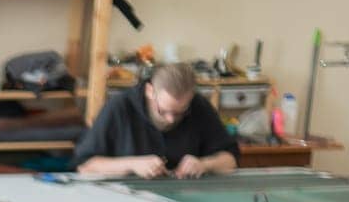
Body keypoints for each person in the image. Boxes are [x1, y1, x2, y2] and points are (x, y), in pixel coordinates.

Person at [74, 62, 239, 179]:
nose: (170, 119)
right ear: (149, 91)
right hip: (127, 201)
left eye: (180, 113)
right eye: (164, 111)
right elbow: (86, 166)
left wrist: (204, 164)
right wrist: (132, 164)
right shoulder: (119, 107)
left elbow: (230, 160)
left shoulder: (199, 106)